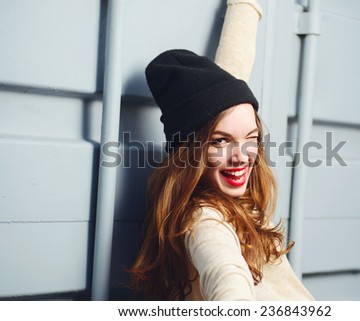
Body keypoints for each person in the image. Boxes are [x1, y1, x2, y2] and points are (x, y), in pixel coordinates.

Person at [129, 0, 314, 301]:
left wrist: (245, 6)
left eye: (250, 137)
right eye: (220, 141)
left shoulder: (221, 114)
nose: (241, 155)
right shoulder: (204, 220)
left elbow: (234, 68)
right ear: (188, 151)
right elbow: (225, 276)